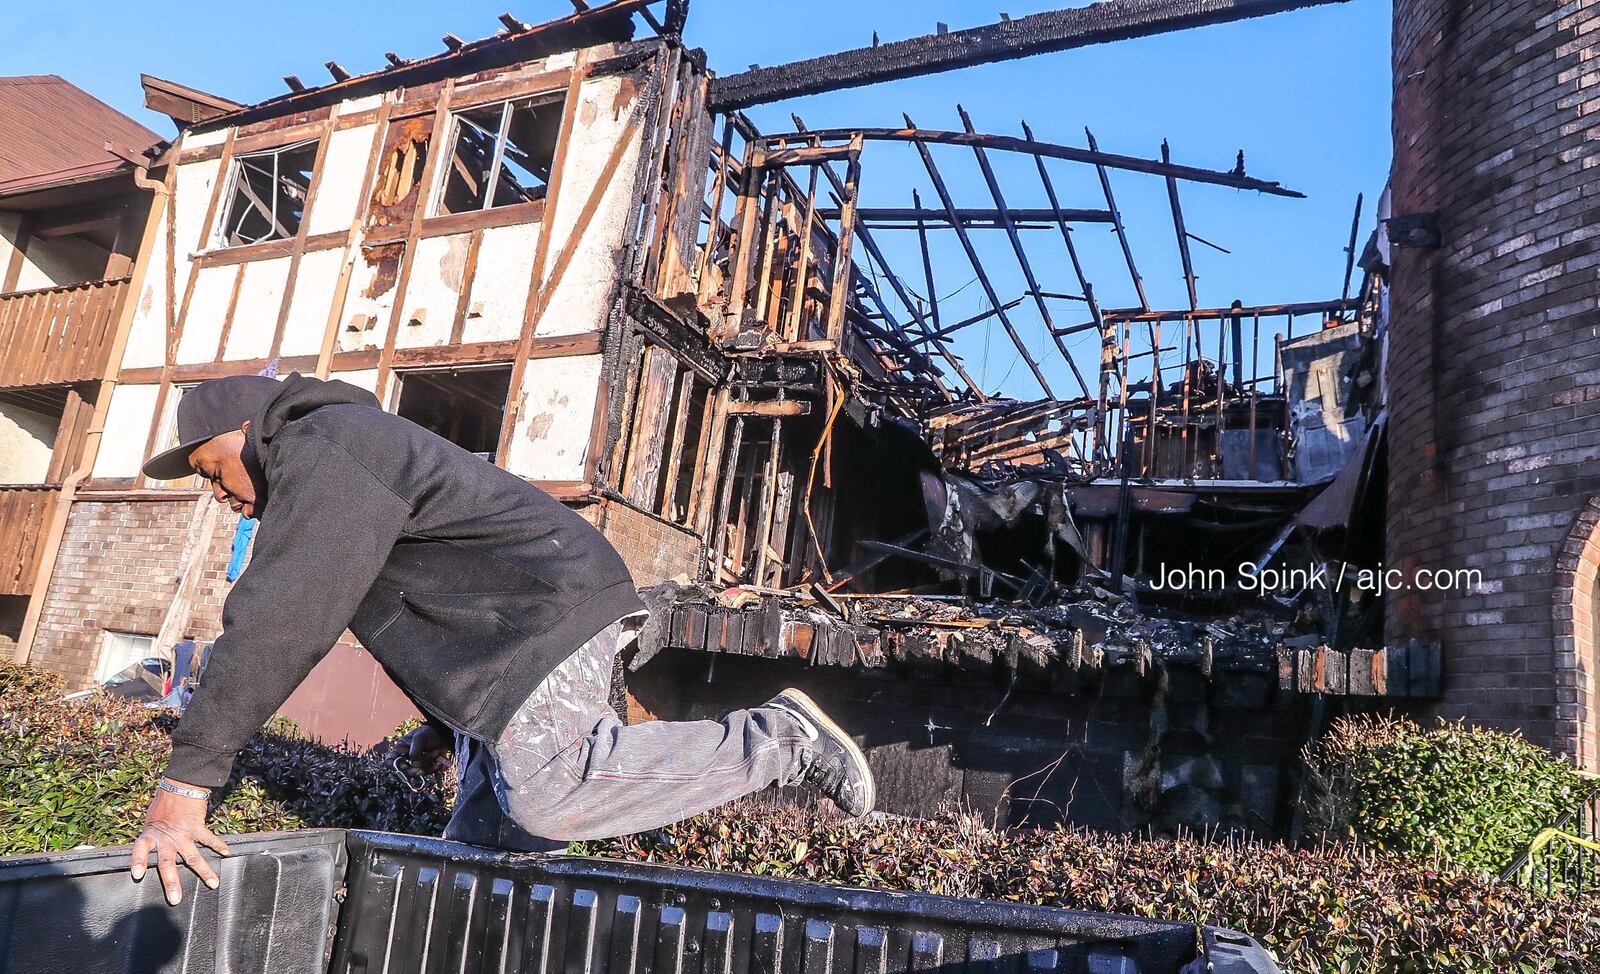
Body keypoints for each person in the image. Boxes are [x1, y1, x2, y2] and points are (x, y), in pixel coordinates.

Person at [127, 372, 874, 905]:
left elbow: (280, 618)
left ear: (243, 431)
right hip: (512, 626)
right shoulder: (336, 459)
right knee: (483, 850)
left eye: (209, 469)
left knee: (552, 793)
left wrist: (184, 787)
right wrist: (441, 723)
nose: (218, 494)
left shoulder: (324, 444)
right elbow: (433, 589)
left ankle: (783, 739)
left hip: (541, 608)